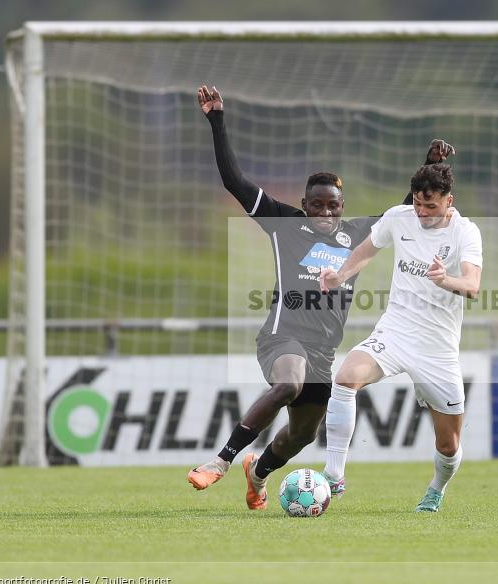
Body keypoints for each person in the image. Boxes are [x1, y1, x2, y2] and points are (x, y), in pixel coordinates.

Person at [187, 85, 455, 509]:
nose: (325, 214)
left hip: (324, 352)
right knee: (289, 383)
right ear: (304, 205)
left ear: (342, 205)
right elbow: (233, 181)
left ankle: (256, 475)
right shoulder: (283, 223)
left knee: (302, 435)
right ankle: (220, 461)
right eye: (316, 206)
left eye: (332, 206)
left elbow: (407, 208)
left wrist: (430, 165)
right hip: (282, 337)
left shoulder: (358, 233)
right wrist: (217, 121)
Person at [318, 163, 482, 512]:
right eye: (418, 205)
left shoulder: (466, 233)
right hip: (396, 331)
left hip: (437, 348)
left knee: (449, 445)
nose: (422, 213)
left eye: (431, 207)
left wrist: (445, 280)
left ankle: (437, 488)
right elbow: (366, 249)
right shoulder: (399, 217)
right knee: (346, 378)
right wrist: (340, 276)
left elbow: (472, 286)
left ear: (449, 201)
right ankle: (334, 476)